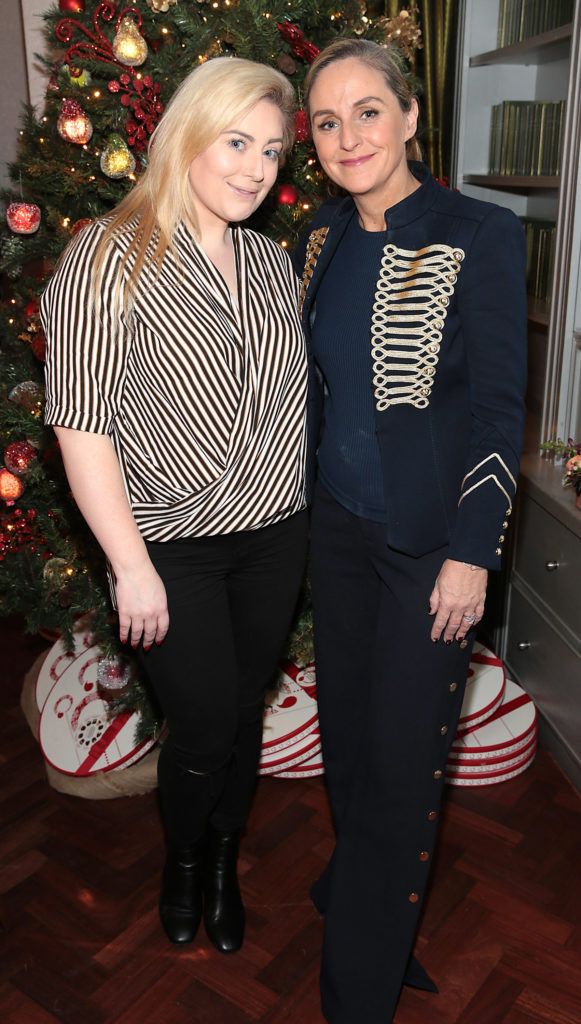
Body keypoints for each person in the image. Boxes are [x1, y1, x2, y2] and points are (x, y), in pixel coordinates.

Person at [41, 57, 308, 953]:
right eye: (236, 141)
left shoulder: (272, 261)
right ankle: (184, 859)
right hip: (171, 546)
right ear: (189, 132)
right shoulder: (108, 254)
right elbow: (83, 427)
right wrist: (132, 567)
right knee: (199, 723)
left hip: (276, 532)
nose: (255, 168)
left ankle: (225, 857)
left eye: (271, 151)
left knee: (240, 711)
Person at [293, 38, 527, 1024]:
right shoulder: (317, 237)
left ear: (410, 118)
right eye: (326, 121)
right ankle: (361, 901)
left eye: (368, 112)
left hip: (429, 549)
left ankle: (355, 991)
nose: (348, 137)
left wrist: (473, 552)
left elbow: (497, 410)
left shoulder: (479, 230)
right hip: (335, 535)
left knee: (399, 759)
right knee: (346, 746)